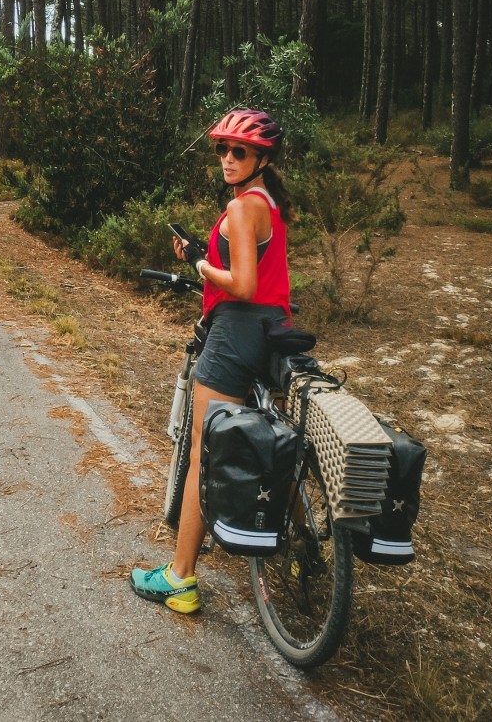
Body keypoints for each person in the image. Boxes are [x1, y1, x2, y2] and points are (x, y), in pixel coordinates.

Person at [130, 108, 294, 614]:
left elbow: (241, 284)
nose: (227, 158)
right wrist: (201, 256)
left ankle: (179, 579)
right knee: (263, 437)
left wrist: (203, 265)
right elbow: (254, 270)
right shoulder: (268, 202)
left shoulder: (245, 206)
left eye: (238, 151)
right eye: (222, 149)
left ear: (261, 157)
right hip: (271, 329)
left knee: (206, 448)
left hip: (236, 332)